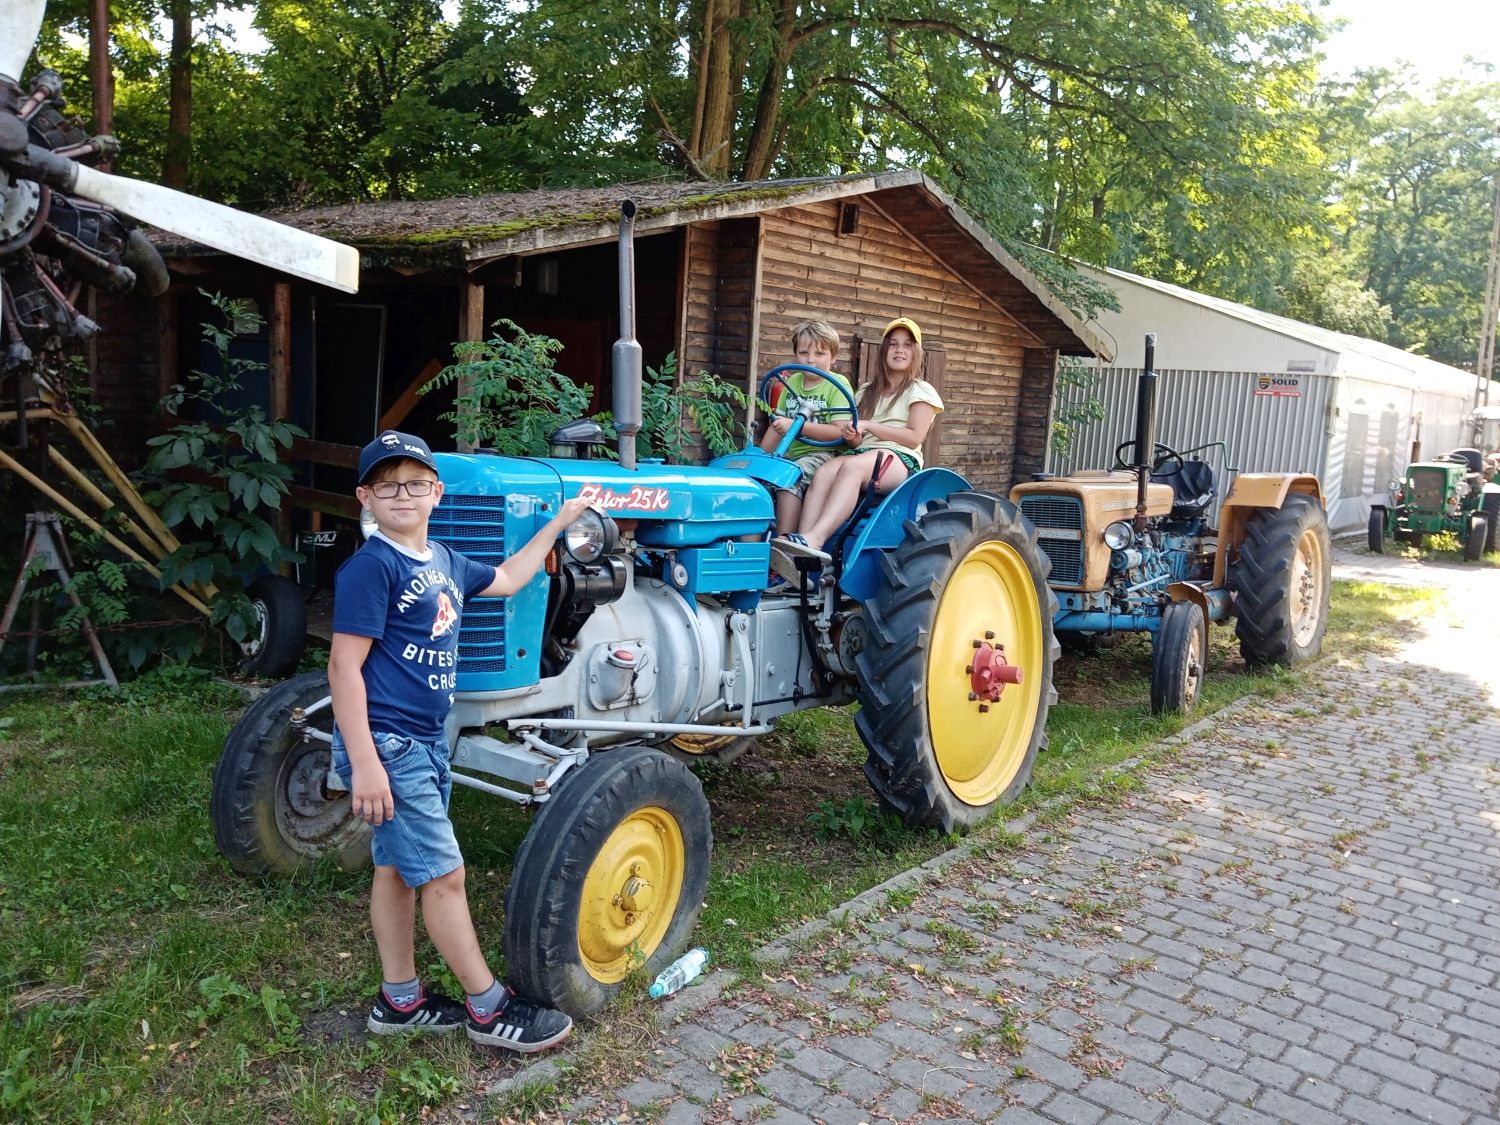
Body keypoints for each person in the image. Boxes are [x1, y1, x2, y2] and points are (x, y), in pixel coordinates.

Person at [328, 429, 591, 1052]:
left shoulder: (442, 559)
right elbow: (343, 667)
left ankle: (400, 1002)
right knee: (445, 876)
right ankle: (488, 1007)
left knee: (395, 868)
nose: (404, 494)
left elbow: (505, 578)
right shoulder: (372, 567)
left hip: (423, 739)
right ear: (366, 496)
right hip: (388, 746)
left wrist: (555, 528)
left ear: (436, 492)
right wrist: (364, 763)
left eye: (416, 483)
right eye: (388, 485)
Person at [772, 317, 943, 563]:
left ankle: (816, 538)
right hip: (861, 453)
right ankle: (800, 552)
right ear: (884, 350)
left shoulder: (921, 391)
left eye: (907, 345)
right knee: (823, 473)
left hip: (898, 458)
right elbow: (854, 442)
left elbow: (913, 437)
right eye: (893, 344)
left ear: (916, 352)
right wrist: (854, 436)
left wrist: (871, 426)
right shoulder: (866, 391)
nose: (899, 350)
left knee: (852, 467)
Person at [758, 319, 857, 536]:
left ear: (834, 357)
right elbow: (777, 427)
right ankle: (749, 553)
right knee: (755, 481)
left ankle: (785, 549)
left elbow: (840, 432)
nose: (810, 360)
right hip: (792, 455)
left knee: (788, 479)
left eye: (820, 354)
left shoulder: (837, 384)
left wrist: (797, 427)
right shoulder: (791, 383)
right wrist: (760, 458)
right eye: (803, 352)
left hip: (826, 455)